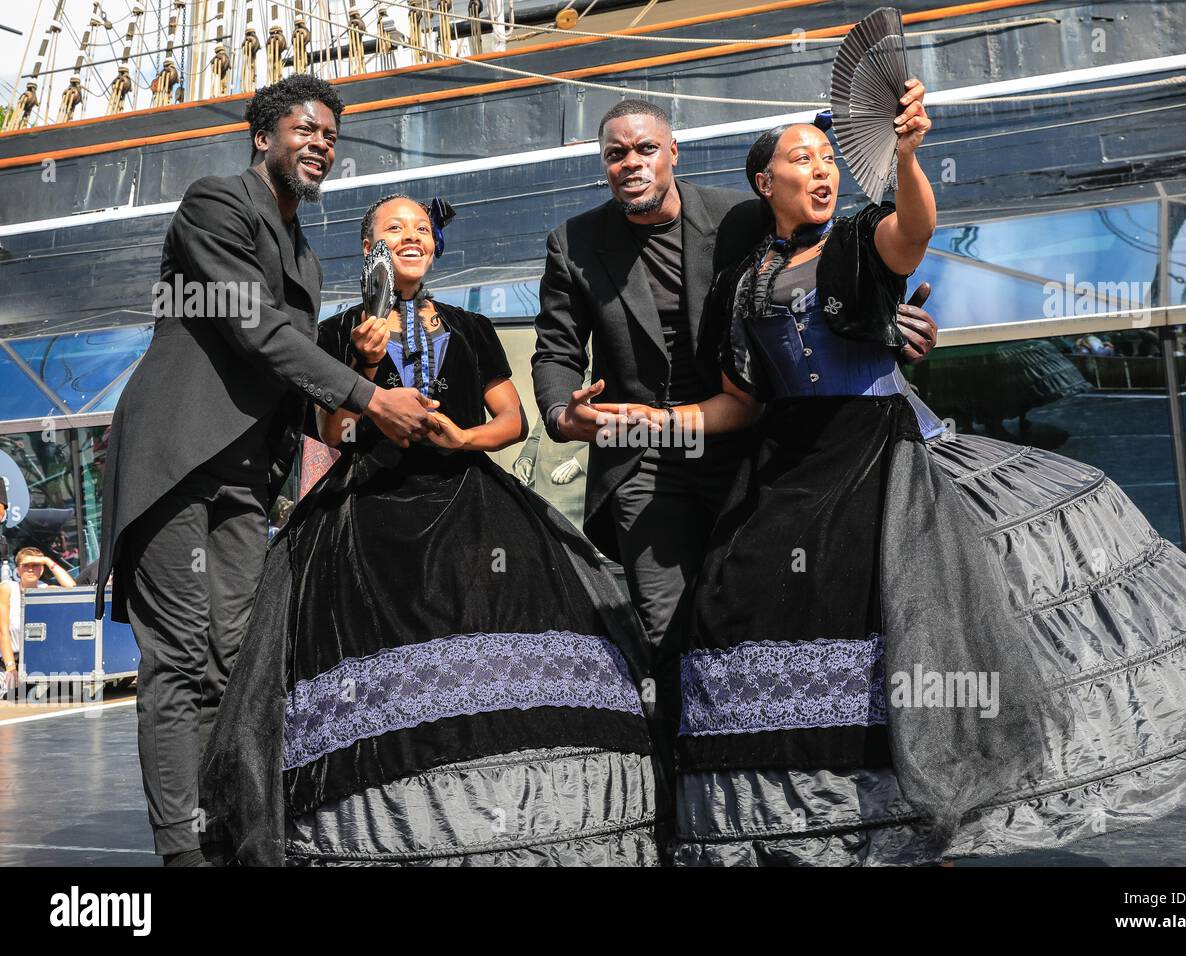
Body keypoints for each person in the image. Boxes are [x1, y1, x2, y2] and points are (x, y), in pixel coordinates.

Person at [614, 82, 1186, 865]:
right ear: (765, 183)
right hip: (787, 469)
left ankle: (928, 803)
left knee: (916, 611)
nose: (823, 170)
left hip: (879, 449)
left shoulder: (858, 243)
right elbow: (737, 401)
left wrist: (906, 154)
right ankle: (822, 820)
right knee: (746, 609)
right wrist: (635, 423)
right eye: (802, 159)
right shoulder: (742, 283)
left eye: (830, 158)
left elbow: (916, 229)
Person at [199, 194, 660, 866]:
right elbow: (335, 433)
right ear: (369, 251)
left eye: (421, 229)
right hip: (365, 512)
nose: (411, 236)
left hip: (470, 499)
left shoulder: (472, 328)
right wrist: (360, 368)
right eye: (394, 228)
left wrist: (461, 434)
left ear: (435, 248)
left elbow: (513, 421)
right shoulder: (334, 334)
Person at [532, 99, 938, 783]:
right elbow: (555, 351)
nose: (631, 163)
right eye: (615, 154)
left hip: (751, 450)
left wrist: (882, 320)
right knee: (668, 632)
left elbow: (833, 263)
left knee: (761, 619)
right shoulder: (571, 242)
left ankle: (781, 778)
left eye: (645, 149)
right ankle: (686, 801)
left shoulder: (741, 212)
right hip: (643, 457)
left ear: (673, 153)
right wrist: (560, 411)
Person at [95, 74, 440, 867]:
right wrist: (362, 393)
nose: (320, 143)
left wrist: (354, 373)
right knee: (180, 659)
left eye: (330, 135)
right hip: (177, 458)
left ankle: (225, 830)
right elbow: (251, 326)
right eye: (305, 129)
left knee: (234, 659)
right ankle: (180, 851)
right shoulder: (214, 204)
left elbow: (295, 371)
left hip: (249, 477)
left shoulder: (307, 255)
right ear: (264, 136)